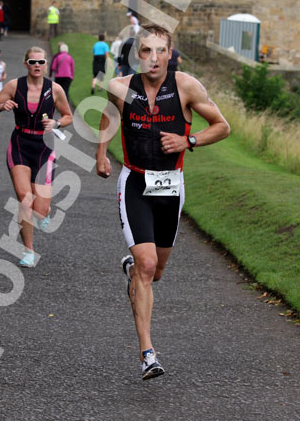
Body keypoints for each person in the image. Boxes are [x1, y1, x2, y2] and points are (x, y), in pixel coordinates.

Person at [96, 23, 230, 380]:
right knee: (146, 263)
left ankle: (134, 272)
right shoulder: (120, 88)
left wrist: (190, 142)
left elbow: (222, 126)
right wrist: (101, 155)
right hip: (136, 181)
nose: (152, 58)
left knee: (156, 271)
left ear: (169, 55)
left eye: (159, 51)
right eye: (145, 51)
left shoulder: (186, 86)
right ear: (136, 55)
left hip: (170, 185)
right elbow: (109, 118)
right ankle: (147, 354)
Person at [0, 46, 73, 267]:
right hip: (20, 144)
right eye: (32, 62)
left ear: (46, 65)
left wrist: (57, 123)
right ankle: (28, 252)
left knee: (40, 209)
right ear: (25, 64)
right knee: (25, 198)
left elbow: (68, 116)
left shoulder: (55, 89)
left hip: (44, 147)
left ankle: (46, 211)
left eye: (41, 62)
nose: (37, 66)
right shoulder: (14, 86)